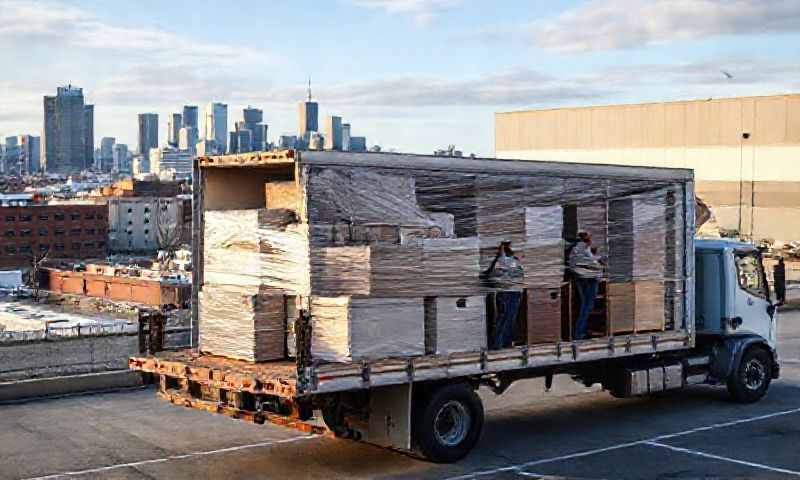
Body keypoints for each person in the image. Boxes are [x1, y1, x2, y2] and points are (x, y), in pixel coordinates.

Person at [484, 240, 524, 349]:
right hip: (507, 293)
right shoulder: (503, 261)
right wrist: (508, 284)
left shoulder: (516, 261)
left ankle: (507, 343)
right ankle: (497, 344)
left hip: (515, 292)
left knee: (510, 319)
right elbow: (494, 277)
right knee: (504, 318)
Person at [569, 231, 604, 340]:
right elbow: (592, 264)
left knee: (585, 305)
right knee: (587, 306)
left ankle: (582, 330)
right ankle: (579, 333)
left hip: (580, 278)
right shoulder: (583, 248)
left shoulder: (577, 248)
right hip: (590, 279)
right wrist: (600, 265)